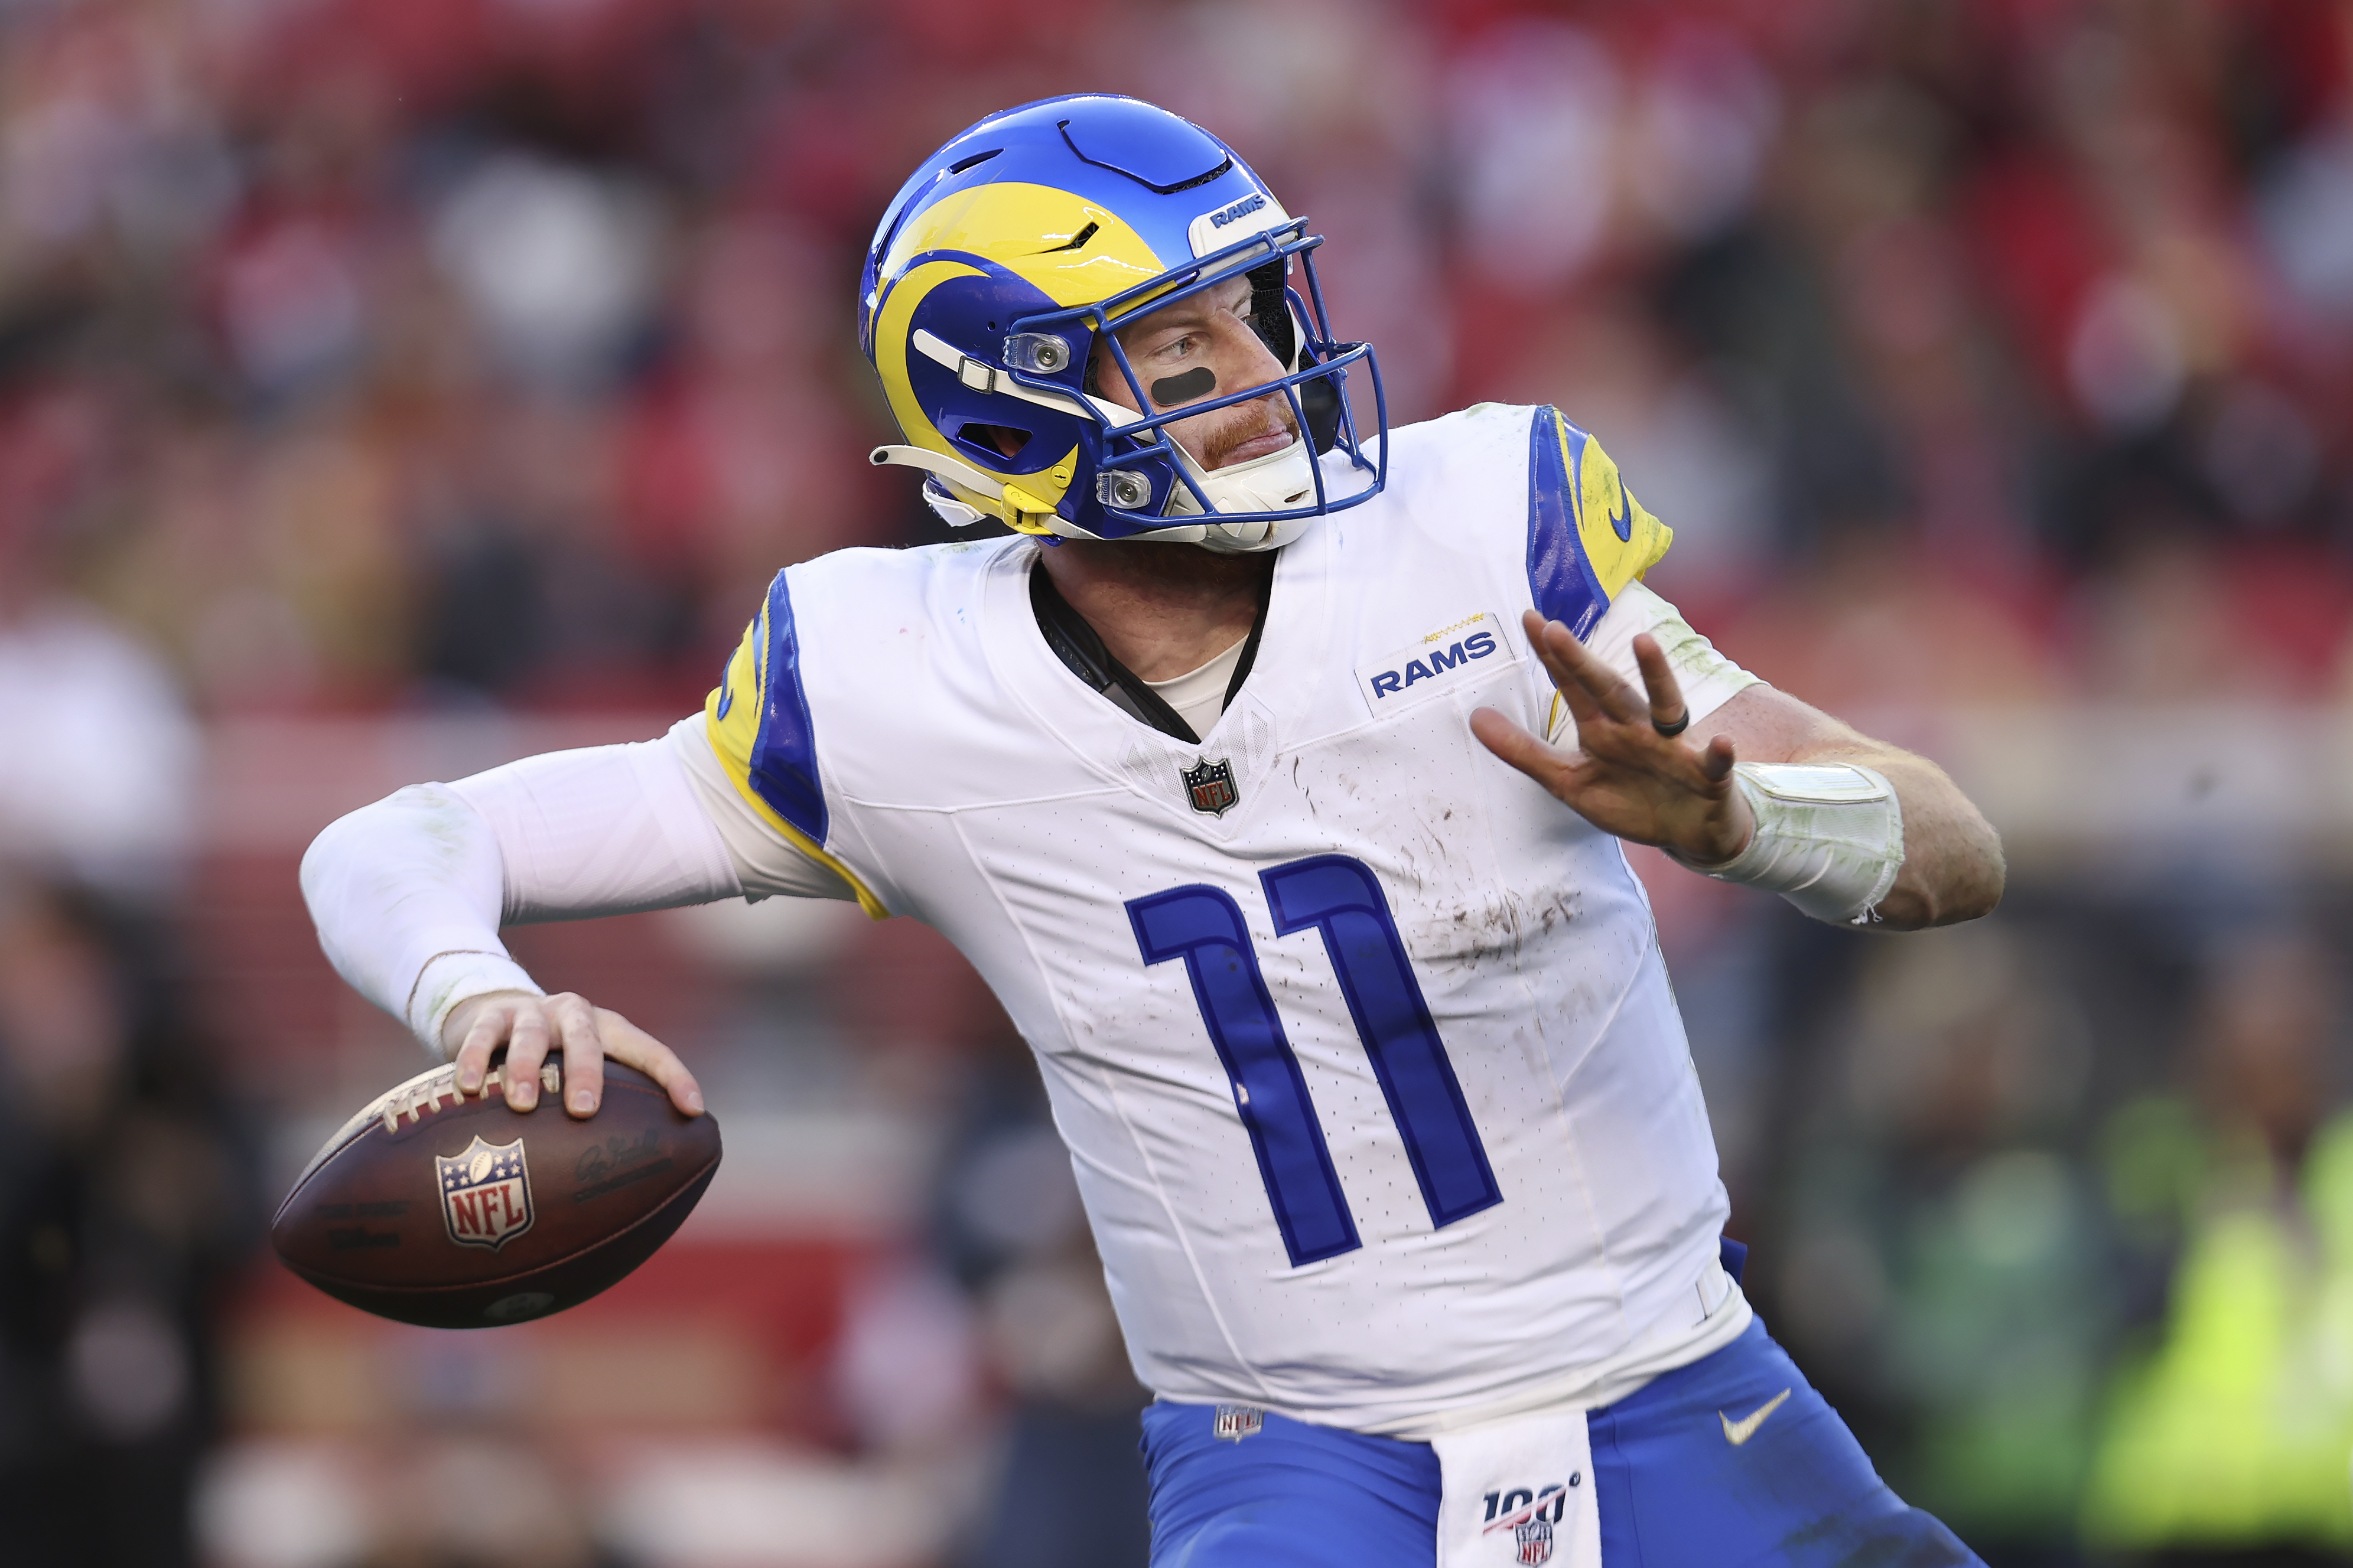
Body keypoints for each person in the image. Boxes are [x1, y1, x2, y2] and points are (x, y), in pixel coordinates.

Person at [301, 96, 2004, 1567]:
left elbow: (1951, 846)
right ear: (1013, 410)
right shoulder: (888, 684)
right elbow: (393, 842)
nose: (1272, 381)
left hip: (1679, 1388)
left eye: (1259, 319)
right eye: (1186, 352)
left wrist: (1743, 825)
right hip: (1299, 1468)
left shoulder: (1483, 532)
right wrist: (474, 995)